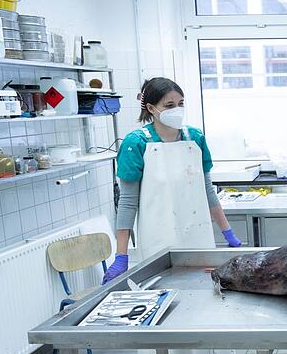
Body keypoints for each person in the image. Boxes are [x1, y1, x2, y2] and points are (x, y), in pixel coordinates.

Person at [103, 77, 241, 282]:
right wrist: (121, 256)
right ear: (151, 108)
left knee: (203, 296)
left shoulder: (195, 138)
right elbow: (128, 203)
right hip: (158, 242)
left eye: (180, 104)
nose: (177, 109)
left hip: (198, 237)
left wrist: (228, 233)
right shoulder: (136, 143)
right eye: (169, 105)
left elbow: (208, 191)